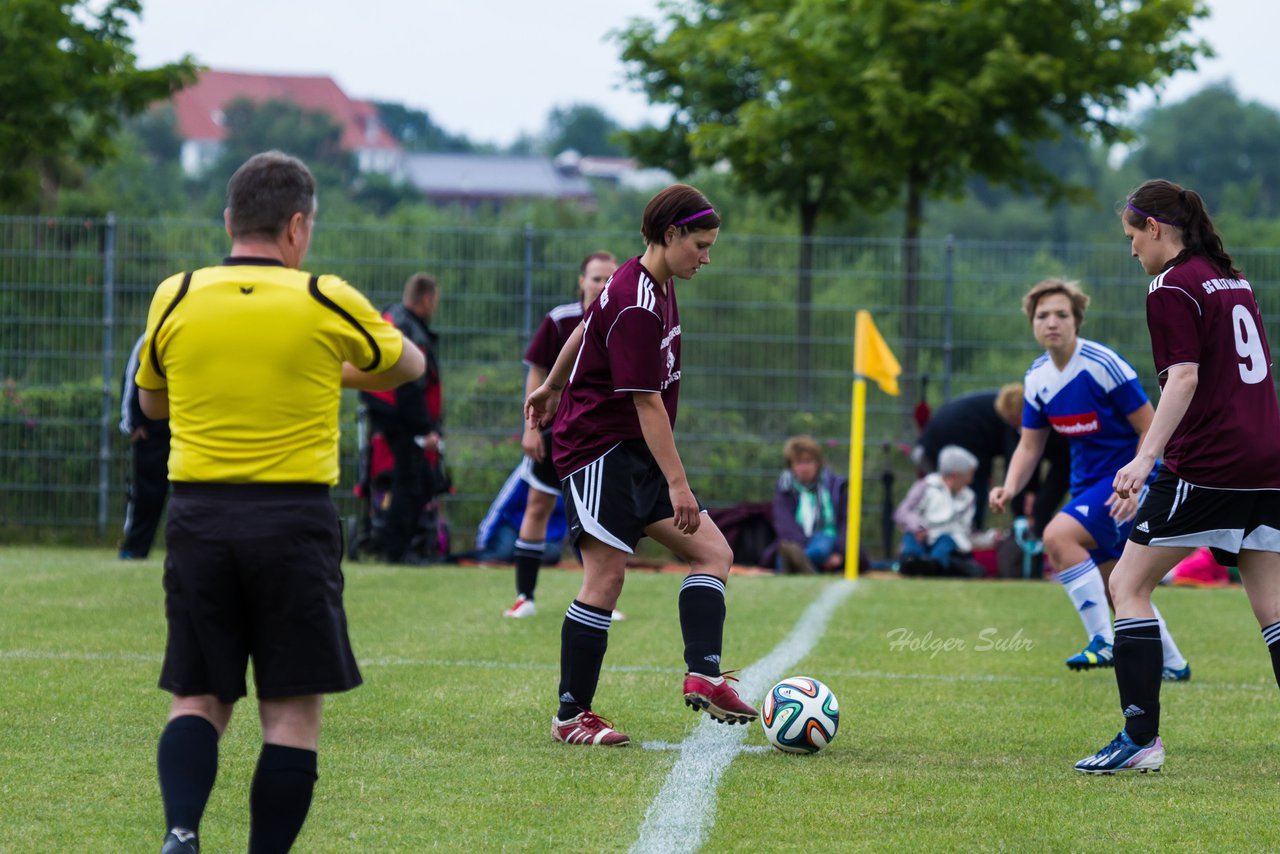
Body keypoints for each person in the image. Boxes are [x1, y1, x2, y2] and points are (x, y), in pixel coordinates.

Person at [136, 151, 424, 853]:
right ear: (297, 226)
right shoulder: (323, 296)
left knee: (199, 697)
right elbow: (408, 366)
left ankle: (180, 833)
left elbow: (152, 399)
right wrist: (324, 367)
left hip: (199, 518)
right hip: (293, 522)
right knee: (291, 714)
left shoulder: (176, 294)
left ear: (231, 220)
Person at [525, 183, 757, 746]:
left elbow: (585, 327)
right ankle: (570, 715)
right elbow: (646, 401)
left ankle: (703, 674)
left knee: (714, 552)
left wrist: (553, 384)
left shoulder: (648, 280)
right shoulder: (635, 301)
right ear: (670, 234)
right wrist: (678, 485)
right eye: (700, 245)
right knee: (605, 575)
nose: (706, 257)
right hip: (598, 450)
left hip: (633, 450)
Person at [1076, 179, 1280, 774]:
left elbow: (1183, 379)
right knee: (1272, 606)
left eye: (1132, 236)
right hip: (1267, 459)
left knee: (1129, 586)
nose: (1131, 250)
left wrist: (1144, 460)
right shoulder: (1232, 280)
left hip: (1210, 462)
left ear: (1156, 229)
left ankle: (1140, 739)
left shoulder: (1171, 286)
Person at [989, 279, 1189, 679]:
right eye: (1043, 315)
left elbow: (1151, 428)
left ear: (1076, 320)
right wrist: (1009, 487)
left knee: (1058, 536)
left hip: (1124, 483)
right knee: (1117, 583)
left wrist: (1139, 484)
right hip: (1087, 486)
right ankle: (1173, 664)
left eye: (1061, 314)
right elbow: (1030, 447)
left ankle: (1103, 640)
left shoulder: (1103, 365)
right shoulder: (1037, 378)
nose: (1052, 323)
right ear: (1032, 322)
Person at [504, 251, 617, 618]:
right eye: (596, 278)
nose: (602, 285)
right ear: (581, 281)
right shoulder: (560, 319)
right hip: (555, 433)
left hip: (599, 438)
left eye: (608, 279)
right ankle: (525, 596)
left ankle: (600, 597)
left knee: (601, 516)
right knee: (538, 505)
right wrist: (531, 428)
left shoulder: (624, 320)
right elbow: (536, 373)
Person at [363, 273, 443, 564]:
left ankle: (394, 544)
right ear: (425, 299)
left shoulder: (390, 318)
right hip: (401, 414)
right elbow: (410, 385)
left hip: (381, 407)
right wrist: (426, 430)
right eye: (434, 300)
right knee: (411, 480)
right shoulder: (411, 331)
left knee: (414, 478)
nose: (434, 307)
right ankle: (396, 550)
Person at [894, 445, 985, 578]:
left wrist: (990, 538)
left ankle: (934, 564)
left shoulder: (968, 496)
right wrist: (918, 527)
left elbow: (967, 532)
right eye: (969, 475)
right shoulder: (926, 486)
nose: (970, 480)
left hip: (946, 543)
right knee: (911, 538)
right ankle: (911, 561)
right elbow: (902, 513)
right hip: (922, 537)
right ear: (955, 475)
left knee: (947, 540)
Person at [119, 330, 171, 560]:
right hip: (152, 434)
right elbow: (131, 379)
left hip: (189, 432)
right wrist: (133, 424)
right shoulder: (149, 340)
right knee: (146, 494)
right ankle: (135, 548)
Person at [771, 435, 848, 574]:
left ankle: (796, 563)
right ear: (791, 466)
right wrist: (800, 545)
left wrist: (839, 552)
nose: (803, 467)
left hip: (827, 538)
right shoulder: (784, 488)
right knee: (785, 553)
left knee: (820, 549)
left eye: (808, 462)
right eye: (798, 462)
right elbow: (784, 523)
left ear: (818, 463)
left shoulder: (836, 485)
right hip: (797, 541)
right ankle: (805, 566)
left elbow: (846, 522)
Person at [475, 461, 567, 564]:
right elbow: (500, 505)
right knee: (504, 553)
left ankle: (518, 556)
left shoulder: (569, 472)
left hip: (548, 538)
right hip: (514, 528)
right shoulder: (528, 467)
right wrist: (482, 540)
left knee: (551, 555)